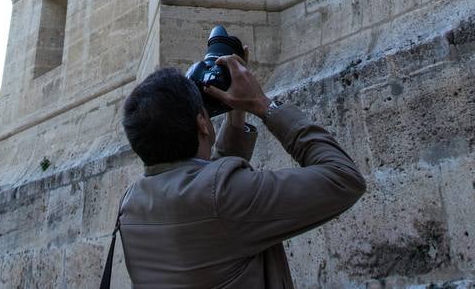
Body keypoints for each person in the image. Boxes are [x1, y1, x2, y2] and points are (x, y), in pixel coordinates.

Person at [117, 51, 366, 288]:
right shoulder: (222, 198)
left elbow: (210, 198)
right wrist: (262, 105)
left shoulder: (130, 203)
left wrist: (235, 112)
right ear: (202, 123)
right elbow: (342, 178)